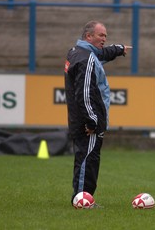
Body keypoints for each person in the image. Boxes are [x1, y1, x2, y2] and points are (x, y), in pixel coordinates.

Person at [64, 21, 131, 206]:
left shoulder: (76, 52)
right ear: (89, 36)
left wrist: (118, 49)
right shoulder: (87, 59)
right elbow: (84, 93)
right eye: (101, 35)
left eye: (106, 36)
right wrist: (92, 121)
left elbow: (101, 54)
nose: (104, 39)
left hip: (78, 119)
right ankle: (83, 199)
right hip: (88, 123)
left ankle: (80, 197)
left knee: (84, 159)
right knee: (88, 160)